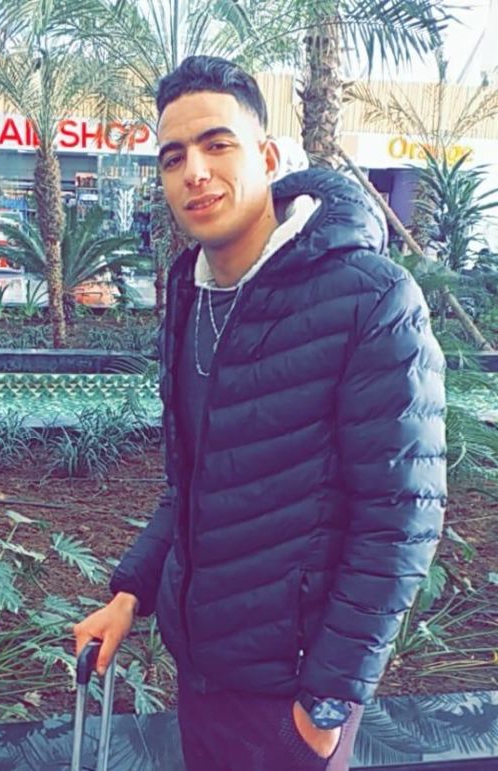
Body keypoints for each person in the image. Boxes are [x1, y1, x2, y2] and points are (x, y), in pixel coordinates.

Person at [74, 56, 446, 771]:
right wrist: (131, 593)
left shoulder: (370, 297)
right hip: (202, 676)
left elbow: (401, 519)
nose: (195, 172)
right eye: (173, 157)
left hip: (293, 696)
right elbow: (193, 483)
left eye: (218, 144)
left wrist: (323, 708)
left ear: (269, 158)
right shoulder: (190, 293)